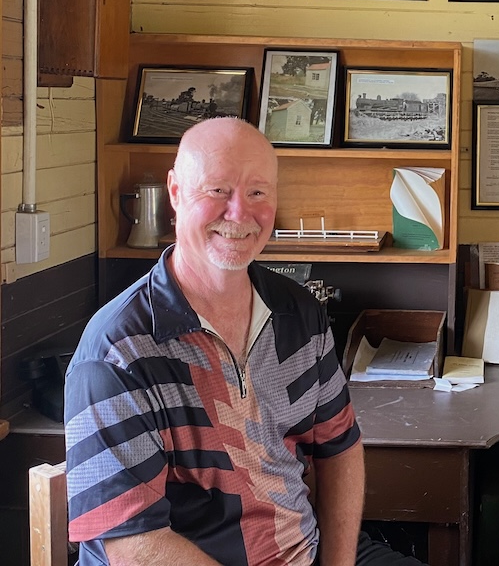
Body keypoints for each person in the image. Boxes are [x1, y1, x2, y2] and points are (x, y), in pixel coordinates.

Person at [64, 117, 425, 566]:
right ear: (175, 192)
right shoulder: (118, 352)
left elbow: (340, 446)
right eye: (217, 190)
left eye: (257, 193)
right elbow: (135, 546)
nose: (239, 214)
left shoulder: (299, 313)